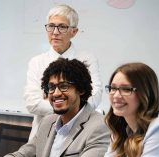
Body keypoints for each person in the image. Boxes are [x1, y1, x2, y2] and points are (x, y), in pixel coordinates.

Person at [0, 58, 109, 157]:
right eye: (51, 87)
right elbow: (23, 156)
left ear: (81, 89)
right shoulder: (48, 121)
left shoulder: (99, 126)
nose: (56, 93)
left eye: (64, 86)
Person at [24, 4, 102, 140]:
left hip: (77, 135)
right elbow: (32, 103)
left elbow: (95, 96)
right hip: (42, 135)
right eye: (51, 26)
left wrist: (51, 99)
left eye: (62, 27)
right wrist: (71, 102)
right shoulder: (36, 62)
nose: (55, 32)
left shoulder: (87, 59)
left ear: (74, 32)